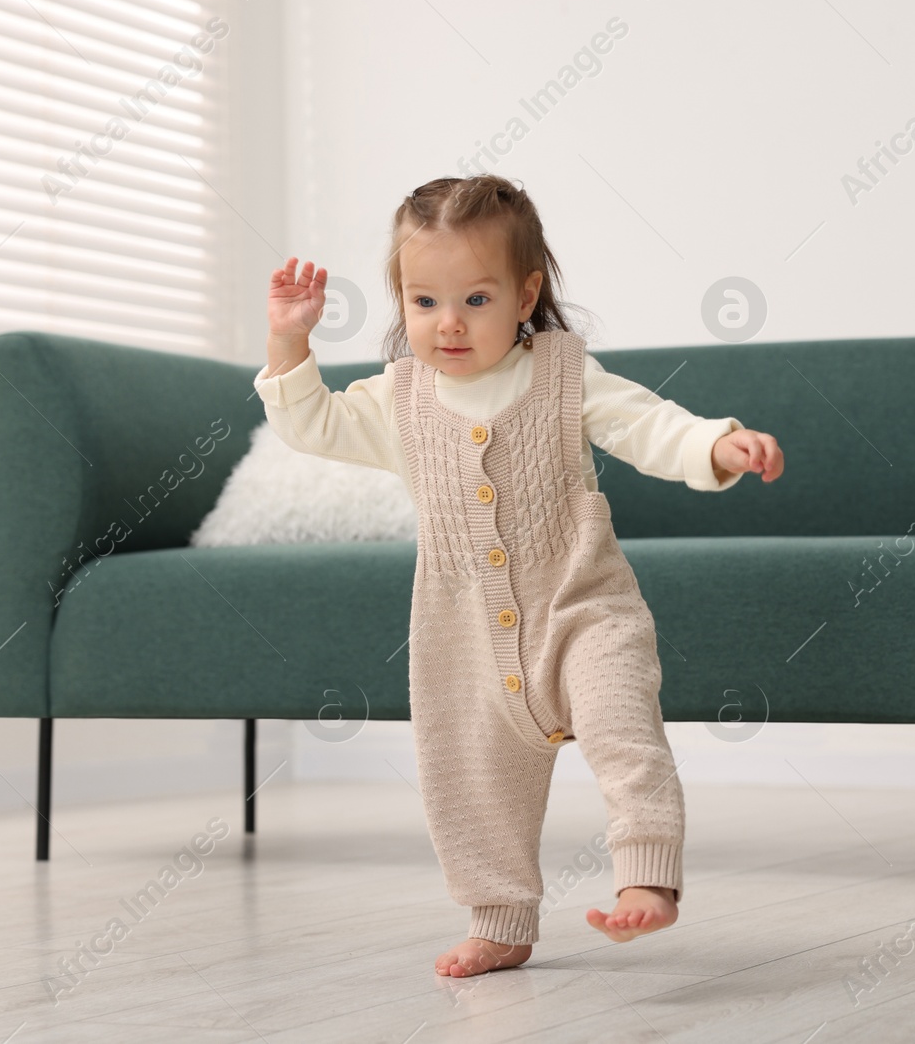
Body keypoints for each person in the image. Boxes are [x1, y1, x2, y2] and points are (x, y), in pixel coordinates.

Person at [255, 174, 784, 978]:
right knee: (470, 781)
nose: (449, 323)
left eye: (475, 297)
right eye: (424, 302)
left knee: (621, 730)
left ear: (526, 292)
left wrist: (717, 445)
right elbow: (311, 422)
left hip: (583, 609)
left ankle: (646, 871)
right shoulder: (399, 401)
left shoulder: (565, 376)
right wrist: (290, 342)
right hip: (461, 637)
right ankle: (500, 917)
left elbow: (648, 425)